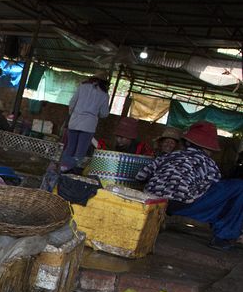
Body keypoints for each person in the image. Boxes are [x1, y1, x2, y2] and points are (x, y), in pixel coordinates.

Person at [136, 121, 243, 250]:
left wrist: (162, 183)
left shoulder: (169, 156)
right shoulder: (208, 162)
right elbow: (214, 185)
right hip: (181, 204)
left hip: (155, 202)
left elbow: (140, 175)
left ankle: (159, 219)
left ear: (187, 143)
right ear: (207, 149)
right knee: (238, 187)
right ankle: (223, 237)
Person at [60, 70, 110, 172]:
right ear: (105, 82)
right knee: (80, 152)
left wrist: (73, 114)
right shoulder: (104, 95)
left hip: (74, 122)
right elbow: (104, 114)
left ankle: (62, 169)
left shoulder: (82, 87)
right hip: (89, 126)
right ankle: (72, 171)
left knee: (70, 148)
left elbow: (72, 103)